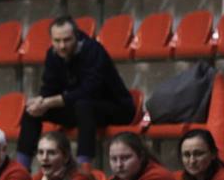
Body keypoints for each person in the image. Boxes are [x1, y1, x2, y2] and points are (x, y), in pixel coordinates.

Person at [17, 16, 136, 170]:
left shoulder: (94, 50)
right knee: (31, 111)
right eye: (57, 41)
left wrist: (49, 102)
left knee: (84, 105)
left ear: (77, 36)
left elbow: (90, 91)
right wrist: (40, 101)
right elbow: (49, 87)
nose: (62, 46)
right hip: (78, 107)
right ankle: (21, 169)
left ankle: (83, 169)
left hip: (115, 108)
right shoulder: (53, 54)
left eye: (67, 40)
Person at [30, 131, 99, 180]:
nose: (44, 158)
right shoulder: (43, 175)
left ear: (66, 157)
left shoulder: (80, 178)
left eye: (51, 153)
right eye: (41, 152)